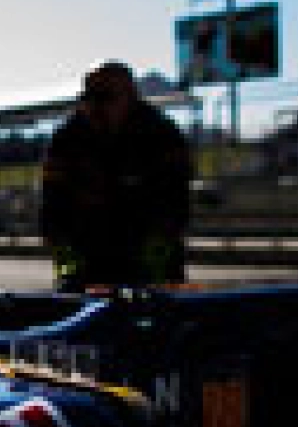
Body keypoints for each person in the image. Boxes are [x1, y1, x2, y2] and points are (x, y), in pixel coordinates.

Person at [40, 60, 193, 290]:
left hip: (148, 255)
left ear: (130, 97)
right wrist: (67, 262)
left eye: (105, 97)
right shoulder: (66, 140)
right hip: (89, 257)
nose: (94, 106)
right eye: (88, 97)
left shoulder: (162, 135)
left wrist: (157, 264)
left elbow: (174, 202)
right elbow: (52, 205)